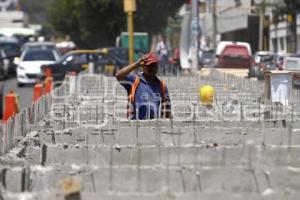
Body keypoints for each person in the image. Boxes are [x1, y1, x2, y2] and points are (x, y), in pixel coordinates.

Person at [116, 52, 171, 120]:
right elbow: (118, 76)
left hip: (153, 126)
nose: (153, 68)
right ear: (143, 67)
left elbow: (167, 109)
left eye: (154, 65)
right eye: (149, 66)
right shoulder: (134, 81)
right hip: (135, 126)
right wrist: (136, 64)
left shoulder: (161, 85)